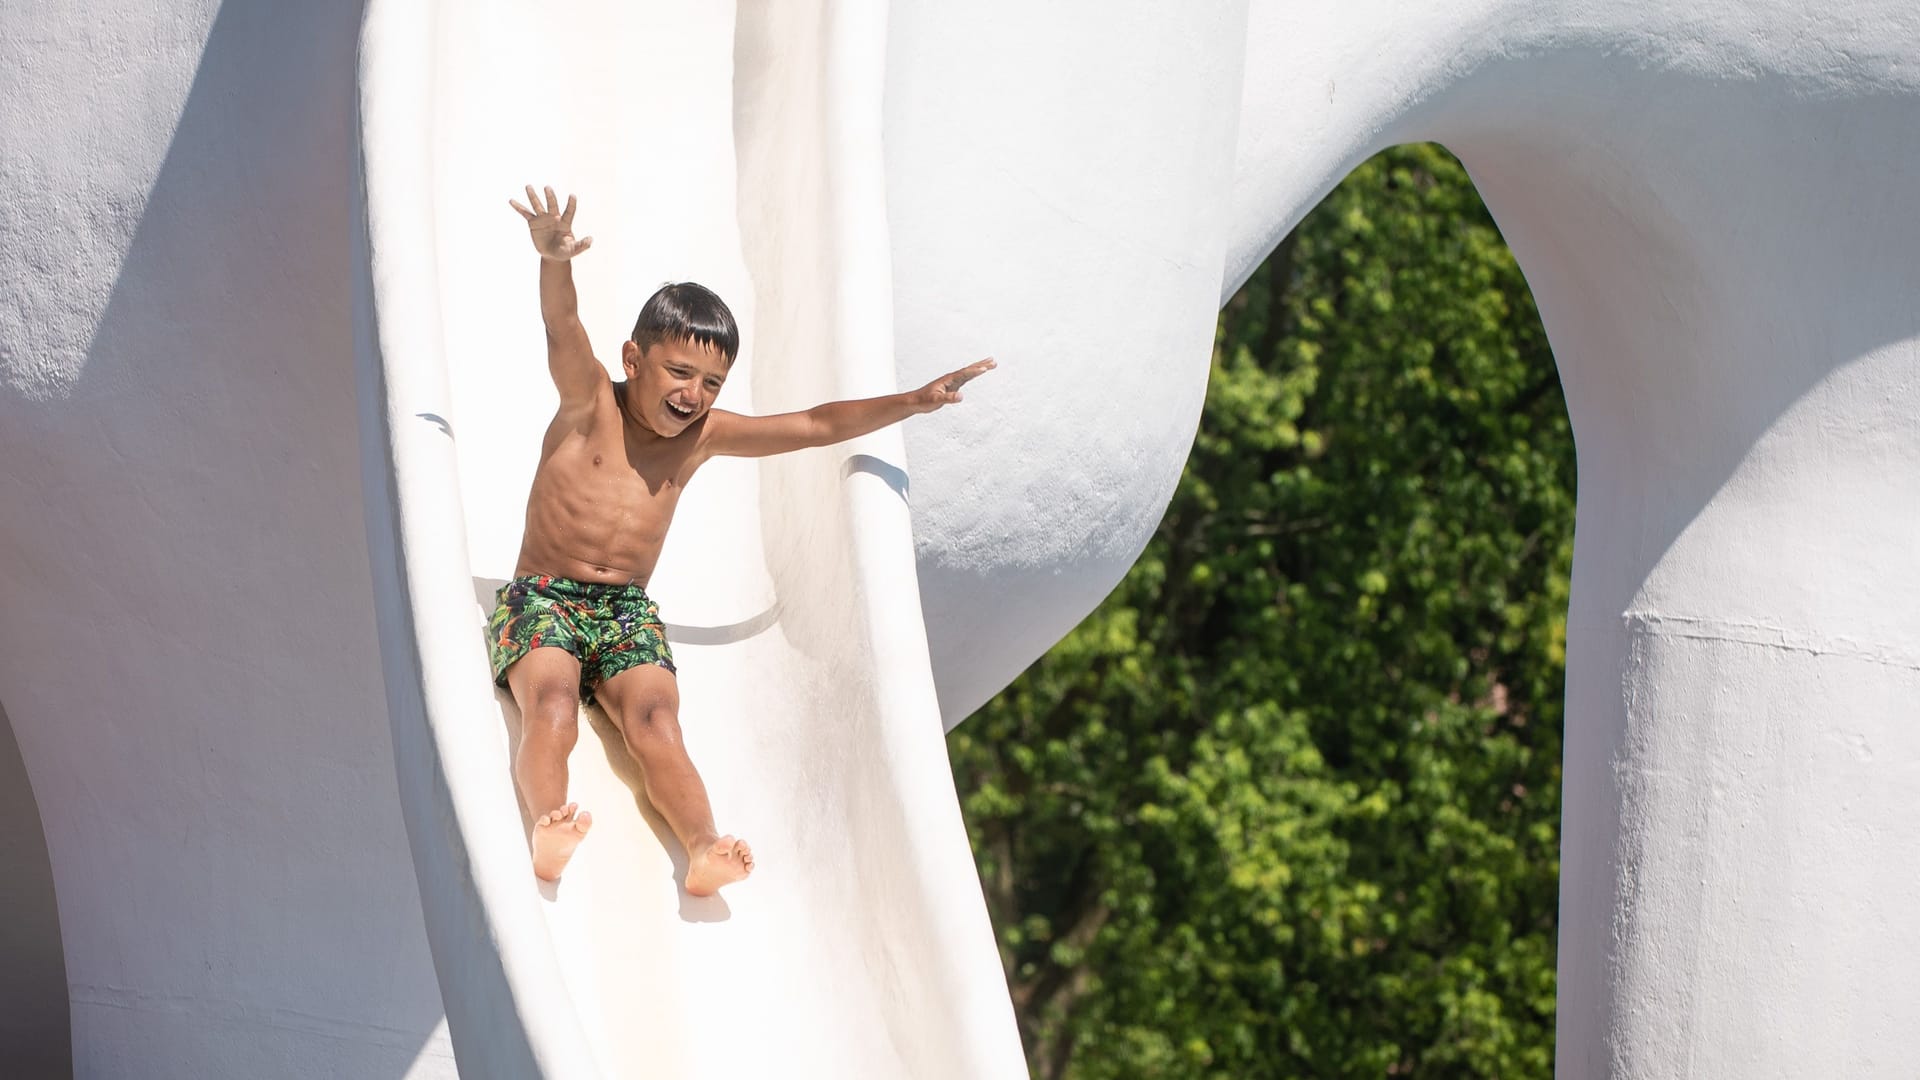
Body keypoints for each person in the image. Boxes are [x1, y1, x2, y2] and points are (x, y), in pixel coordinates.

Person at [491, 186, 993, 891]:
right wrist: (554, 260)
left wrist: (912, 402)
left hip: (625, 608)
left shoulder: (705, 436)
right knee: (551, 701)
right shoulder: (588, 403)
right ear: (634, 359)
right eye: (679, 372)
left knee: (658, 717)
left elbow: (814, 425)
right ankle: (550, 824)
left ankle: (703, 847)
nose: (694, 394)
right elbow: (562, 326)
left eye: (712, 382)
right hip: (542, 596)